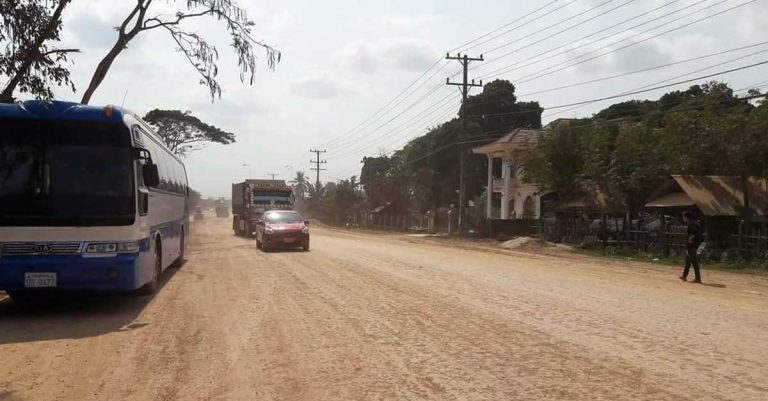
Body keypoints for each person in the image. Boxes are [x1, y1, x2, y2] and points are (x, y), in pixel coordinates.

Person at [680, 211, 704, 283]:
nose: (683, 218)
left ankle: (698, 278)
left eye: (683, 217)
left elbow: (694, 231)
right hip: (696, 243)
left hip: (692, 244)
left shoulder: (690, 223)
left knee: (694, 261)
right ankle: (684, 276)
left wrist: (691, 238)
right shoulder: (694, 222)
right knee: (688, 259)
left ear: (686, 217)